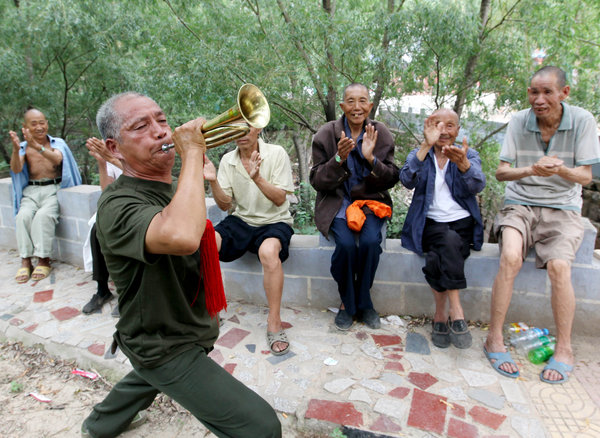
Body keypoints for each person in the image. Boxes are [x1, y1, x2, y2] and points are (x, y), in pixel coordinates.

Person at [81, 92, 281, 438]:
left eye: (161, 120)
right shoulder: (116, 204)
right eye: (141, 126)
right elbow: (182, 236)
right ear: (114, 148)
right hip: (161, 342)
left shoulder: (174, 188)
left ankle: (98, 426)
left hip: (188, 326)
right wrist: (192, 153)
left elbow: (204, 241)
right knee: (261, 428)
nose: (160, 131)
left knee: (145, 380)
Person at [483, 66, 600, 384]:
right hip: (519, 204)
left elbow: (587, 177)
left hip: (562, 209)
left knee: (560, 266)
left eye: (547, 92)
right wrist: (532, 169)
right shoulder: (519, 121)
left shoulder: (583, 122)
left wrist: (561, 170)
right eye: (534, 92)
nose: (539, 99)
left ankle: (564, 348)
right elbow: (502, 173)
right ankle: (494, 338)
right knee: (510, 257)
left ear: (565, 93)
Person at [310, 83, 399, 330]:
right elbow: (316, 181)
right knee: (347, 245)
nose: (356, 107)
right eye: (350, 101)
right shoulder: (327, 134)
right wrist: (338, 159)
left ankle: (360, 301)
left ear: (370, 106)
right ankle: (352, 304)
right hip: (338, 202)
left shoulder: (382, 133)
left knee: (371, 242)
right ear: (342, 106)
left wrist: (371, 159)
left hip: (370, 203)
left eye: (362, 101)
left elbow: (392, 178)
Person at [400, 108, 486, 349]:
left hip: (462, 224)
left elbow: (478, 185)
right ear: (429, 128)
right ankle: (456, 311)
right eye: (438, 125)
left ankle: (440, 315)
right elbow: (406, 179)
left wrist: (464, 164)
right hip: (430, 224)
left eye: (450, 126)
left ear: (457, 130)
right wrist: (424, 147)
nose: (444, 131)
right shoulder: (421, 154)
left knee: (438, 254)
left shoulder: (468, 154)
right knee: (446, 241)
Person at [205, 127, 295, 356]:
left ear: (259, 128)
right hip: (243, 220)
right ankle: (210, 312)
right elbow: (225, 205)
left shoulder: (276, 153)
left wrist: (257, 178)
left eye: (247, 128)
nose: (242, 133)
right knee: (206, 244)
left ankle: (274, 321)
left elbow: (279, 199)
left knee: (268, 252)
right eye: (236, 128)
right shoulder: (228, 159)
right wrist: (214, 181)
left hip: (275, 221)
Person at [9, 108, 82, 283]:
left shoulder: (57, 143)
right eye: (34, 124)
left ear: (47, 124)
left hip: (53, 189)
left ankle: (43, 259)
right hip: (32, 190)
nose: (39, 127)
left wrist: (38, 147)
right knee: (22, 217)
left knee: (43, 217)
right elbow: (16, 168)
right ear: (25, 127)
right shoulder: (23, 148)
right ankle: (25, 259)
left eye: (42, 122)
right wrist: (15, 148)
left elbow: (57, 159)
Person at [81, 137, 123, 316]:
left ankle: (128, 294)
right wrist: (102, 162)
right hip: (118, 205)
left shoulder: (141, 151)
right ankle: (102, 290)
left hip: (143, 205)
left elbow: (140, 173)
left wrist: (113, 159)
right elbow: (107, 191)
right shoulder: (111, 156)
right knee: (98, 229)